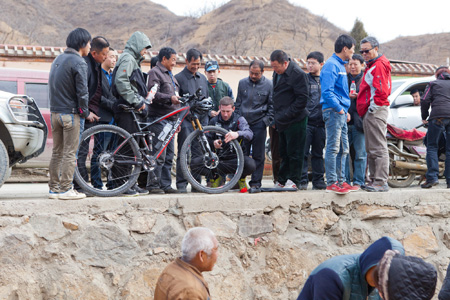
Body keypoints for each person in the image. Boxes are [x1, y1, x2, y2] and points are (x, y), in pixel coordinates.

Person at [48, 28, 91, 200]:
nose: (89, 47)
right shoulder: (79, 62)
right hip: (71, 114)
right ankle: (66, 189)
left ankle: (54, 189)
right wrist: (84, 112)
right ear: (82, 44)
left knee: (57, 152)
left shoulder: (58, 59)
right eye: (88, 43)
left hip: (55, 113)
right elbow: (83, 92)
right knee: (70, 153)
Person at [74, 36, 121, 195]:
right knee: (92, 153)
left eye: (113, 56)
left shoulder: (110, 74)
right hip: (97, 116)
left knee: (110, 154)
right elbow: (89, 93)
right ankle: (91, 184)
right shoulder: (88, 67)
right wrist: (86, 112)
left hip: (110, 118)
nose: (111, 58)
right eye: (108, 55)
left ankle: (109, 183)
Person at [297, 236, 405, 300]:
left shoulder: (386, 284)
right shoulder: (331, 276)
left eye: (389, 275)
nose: (382, 279)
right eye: (380, 271)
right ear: (370, 262)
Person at [112, 31, 152, 196]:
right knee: (127, 148)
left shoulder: (132, 59)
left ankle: (129, 182)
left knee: (133, 148)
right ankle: (120, 184)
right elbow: (121, 81)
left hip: (131, 108)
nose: (145, 52)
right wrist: (136, 102)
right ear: (137, 45)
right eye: (144, 48)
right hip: (127, 108)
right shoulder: (128, 59)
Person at [320, 34, 356, 194]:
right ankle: (332, 182)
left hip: (341, 112)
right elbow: (327, 92)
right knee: (333, 147)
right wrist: (340, 109)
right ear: (345, 49)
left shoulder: (341, 65)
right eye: (352, 49)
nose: (353, 53)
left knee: (344, 148)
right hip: (334, 111)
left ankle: (342, 181)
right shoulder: (331, 65)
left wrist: (345, 111)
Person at [270, 50, 310, 190]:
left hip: (295, 119)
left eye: (276, 66)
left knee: (295, 152)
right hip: (281, 119)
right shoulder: (277, 73)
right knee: (283, 152)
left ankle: (294, 180)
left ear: (285, 63)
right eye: (272, 67)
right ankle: (282, 179)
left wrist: (286, 114)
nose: (274, 69)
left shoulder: (298, 74)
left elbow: (302, 100)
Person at [356, 36, 392, 192]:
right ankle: (375, 180)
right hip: (372, 110)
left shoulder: (378, 66)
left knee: (377, 147)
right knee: (372, 147)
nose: (364, 54)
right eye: (361, 51)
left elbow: (381, 90)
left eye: (366, 51)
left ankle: (381, 181)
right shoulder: (374, 65)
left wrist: (373, 108)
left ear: (376, 49)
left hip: (375, 110)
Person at [146, 47, 181, 194]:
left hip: (171, 122)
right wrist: (169, 98)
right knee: (159, 154)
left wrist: (177, 120)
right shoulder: (155, 73)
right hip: (159, 120)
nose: (174, 63)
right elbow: (153, 94)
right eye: (172, 59)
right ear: (164, 59)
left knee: (169, 155)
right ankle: (153, 185)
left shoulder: (171, 75)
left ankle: (165, 185)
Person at [174, 48, 209, 193]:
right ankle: (181, 184)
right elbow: (178, 102)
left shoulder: (203, 79)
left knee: (199, 153)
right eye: (193, 63)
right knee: (183, 151)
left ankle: (196, 183)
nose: (196, 67)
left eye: (198, 64)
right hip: (186, 120)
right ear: (187, 61)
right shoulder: (179, 78)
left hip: (201, 121)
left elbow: (206, 100)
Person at [235, 60, 273, 191]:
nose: (253, 76)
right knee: (241, 153)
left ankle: (256, 183)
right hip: (244, 124)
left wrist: (265, 122)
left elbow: (272, 107)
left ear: (262, 72)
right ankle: (238, 181)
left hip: (259, 124)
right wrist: (238, 121)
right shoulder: (242, 83)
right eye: (251, 73)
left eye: (257, 73)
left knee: (258, 155)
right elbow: (238, 104)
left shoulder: (269, 85)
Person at [203, 96, 256, 192]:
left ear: (233, 108)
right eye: (223, 111)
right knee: (195, 163)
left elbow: (250, 134)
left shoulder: (239, 119)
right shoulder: (213, 121)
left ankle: (241, 179)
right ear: (219, 108)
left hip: (236, 160)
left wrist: (237, 134)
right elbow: (205, 140)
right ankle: (216, 178)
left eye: (228, 111)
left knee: (251, 164)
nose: (225, 114)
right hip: (218, 160)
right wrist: (213, 143)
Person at [154, 227, 219, 300]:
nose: (217, 255)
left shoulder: (172, 267)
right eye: (215, 250)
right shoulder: (191, 291)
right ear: (201, 255)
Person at [299, 51, 326, 191]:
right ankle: (302, 180)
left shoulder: (326, 79)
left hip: (321, 123)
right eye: (308, 62)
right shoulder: (304, 79)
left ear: (321, 64)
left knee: (318, 154)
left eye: (313, 63)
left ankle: (318, 181)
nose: (309, 65)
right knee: (303, 153)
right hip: (307, 122)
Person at [420, 65, 450, 189]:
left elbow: (424, 100)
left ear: (437, 75)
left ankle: (432, 178)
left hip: (437, 117)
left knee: (432, 146)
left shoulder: (433, 84)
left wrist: (425, 116)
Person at [343, 54, 367, 188]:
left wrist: (359, 97)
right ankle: (345, 181)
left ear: (362, 65)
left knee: (361, 154)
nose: (352, 67)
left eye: (355, 64)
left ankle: (359, 181)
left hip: (360, 122)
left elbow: (370, 98)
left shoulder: (365, 79)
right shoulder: (343, 79)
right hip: (345, 121)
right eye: (350, 64)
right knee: (344, 154)